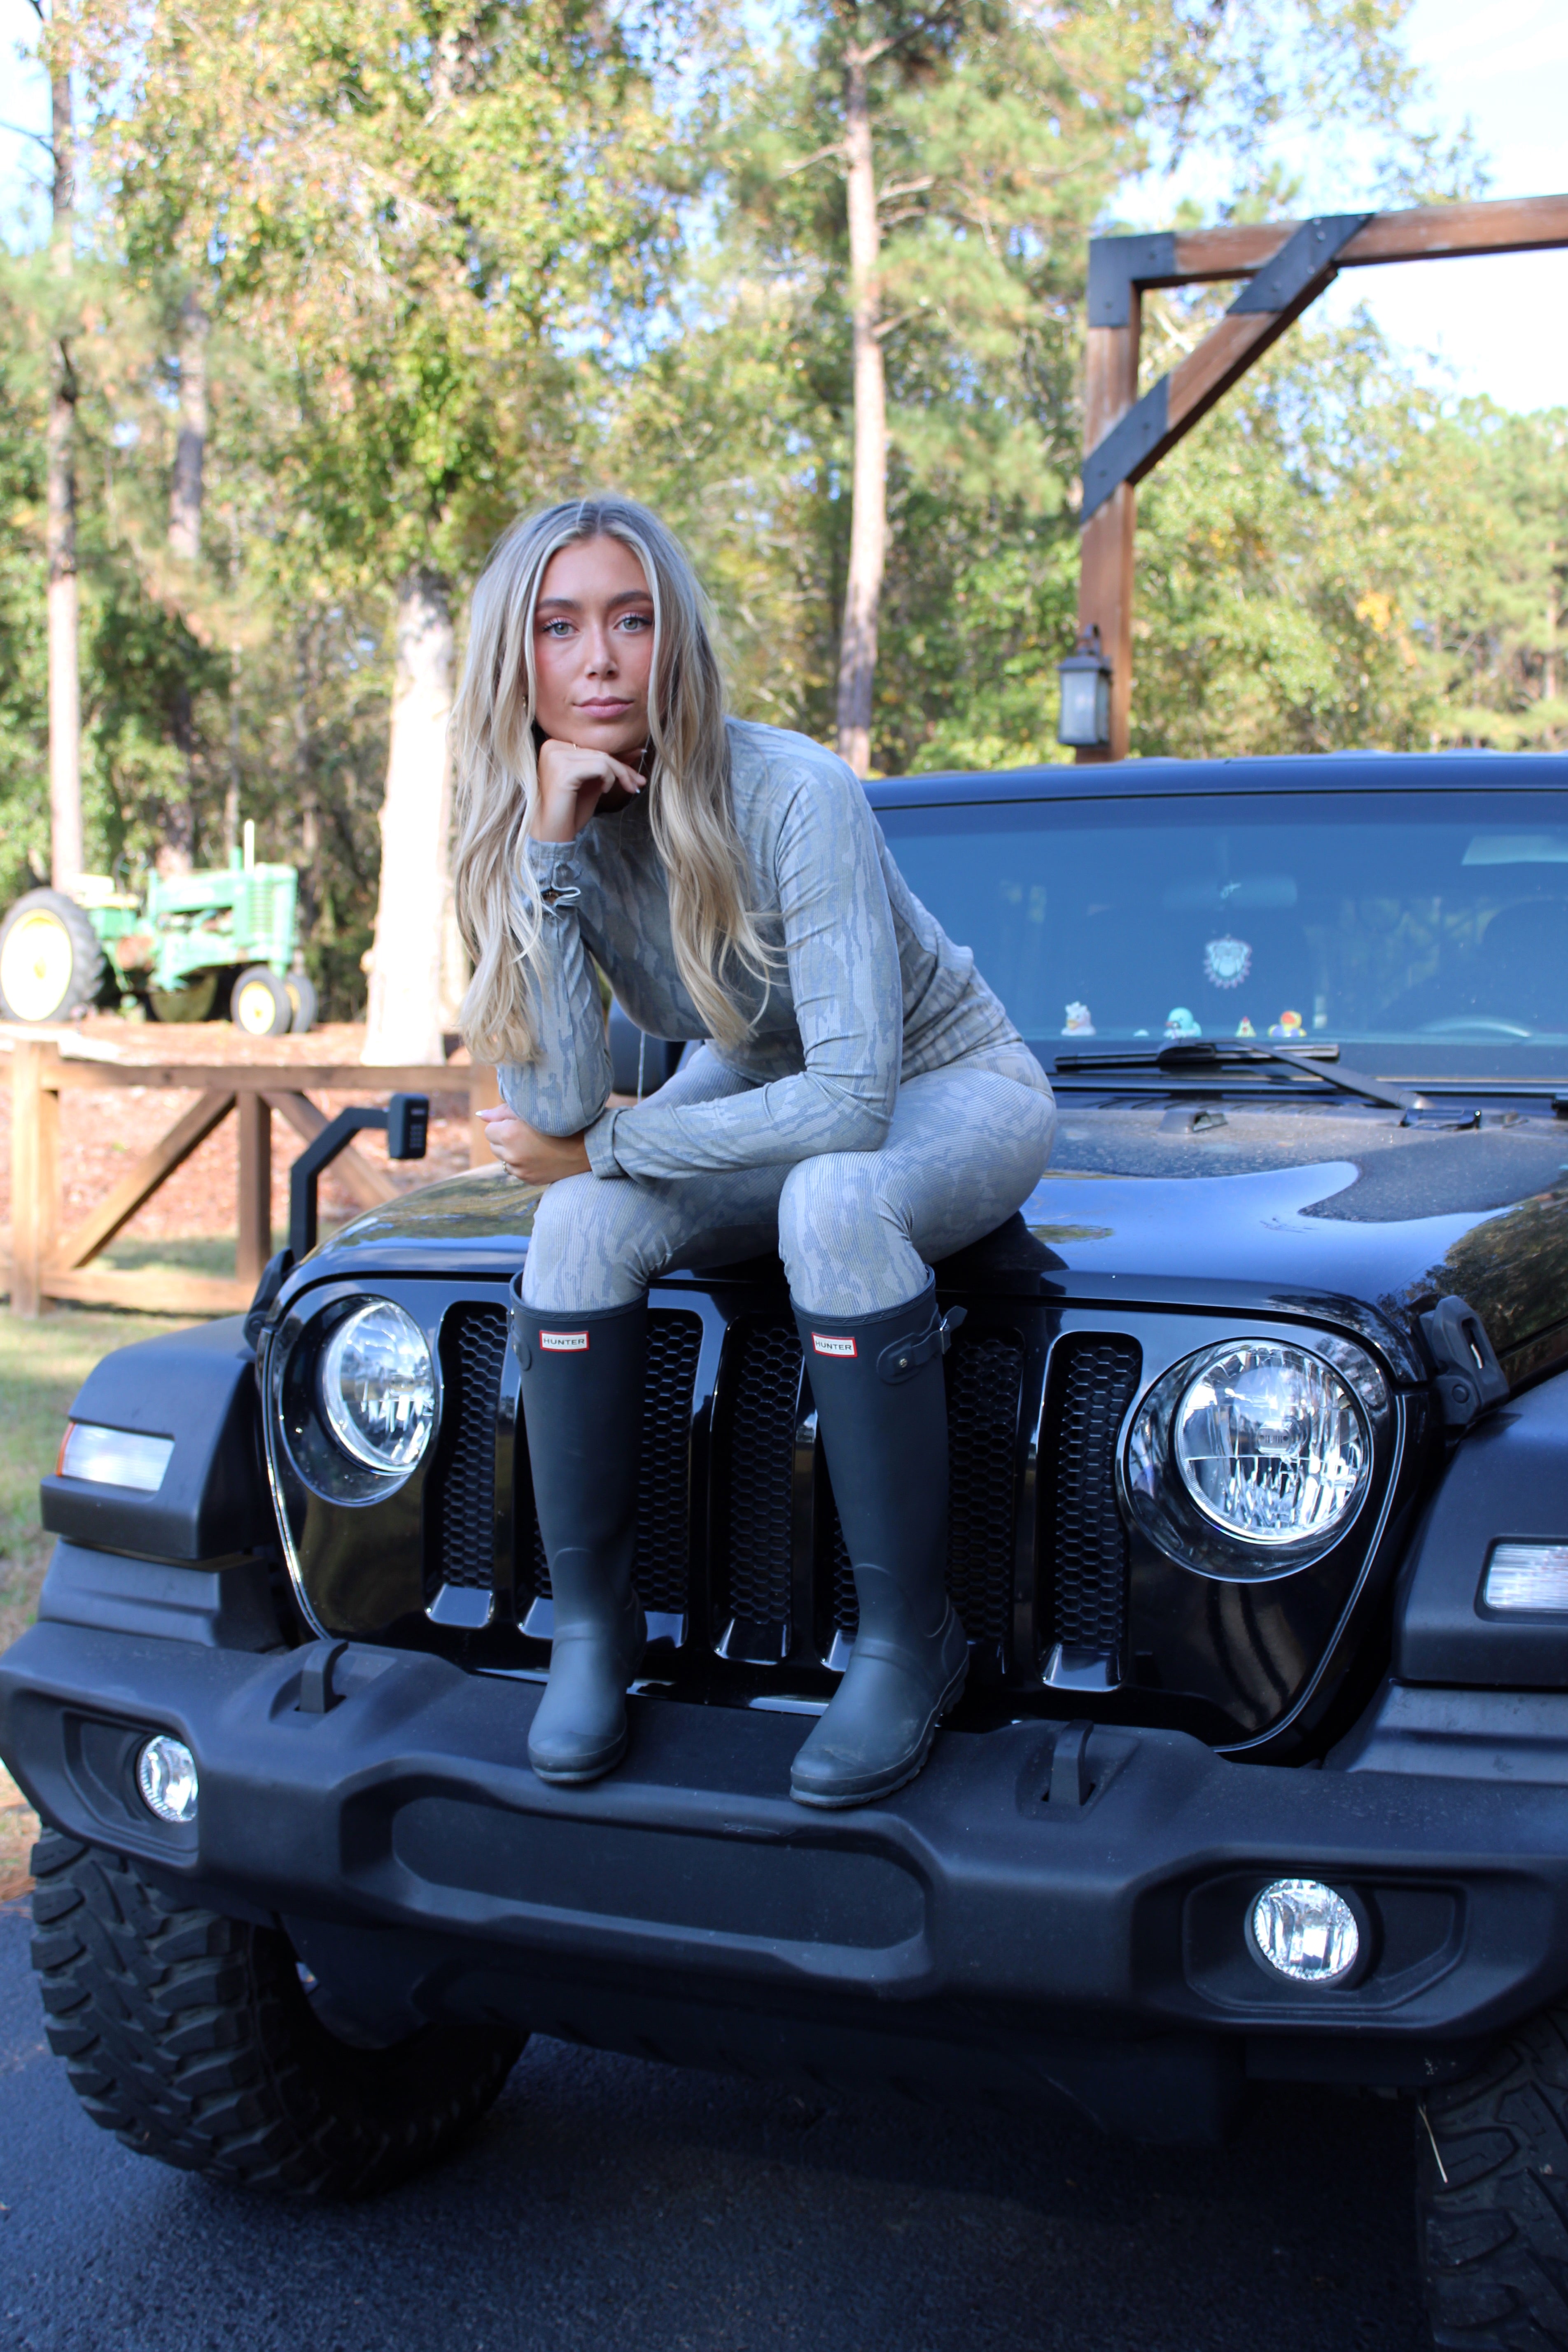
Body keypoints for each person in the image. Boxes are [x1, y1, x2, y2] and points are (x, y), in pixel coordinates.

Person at [451, 496, 1055, 1808]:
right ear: (516, 655)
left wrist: (613, 1143)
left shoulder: (795, 792)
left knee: (832, 1202)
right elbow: (556, 1099)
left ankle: (909, 1642)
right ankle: (596, 1629)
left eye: (633, 620)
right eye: (560, 628)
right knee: (574, 1224)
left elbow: (847, 1101)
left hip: (952, 1081)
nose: (600, 660)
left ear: (676, 638)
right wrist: (548, 851)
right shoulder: (539, 821)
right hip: (754, 1076)